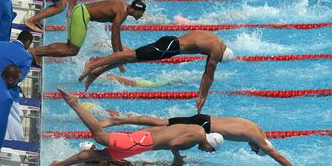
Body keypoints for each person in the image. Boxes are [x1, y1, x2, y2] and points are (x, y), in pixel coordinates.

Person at [40, 88, 223, 166]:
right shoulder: (198, 136)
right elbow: (173, 144)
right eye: (210, 150)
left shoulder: (195, 128)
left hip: (142, 143)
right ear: (211, 144)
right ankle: (74, 103)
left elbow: (165, 130)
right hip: (141, 143)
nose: (207, 152)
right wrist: (177, 158)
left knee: (95, 155)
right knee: (98, 136)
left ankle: (58, 165)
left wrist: (143, 133)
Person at [100, 114, 308, 166]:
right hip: (204, 127)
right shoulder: (257, 139)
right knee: (161, 125)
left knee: (161, 127)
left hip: (207, 120)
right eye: (255, 151)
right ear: (258, 147)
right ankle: (118, 120)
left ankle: (122, 126)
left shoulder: (258, 129)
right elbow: (276, 155)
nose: (252, 150)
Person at [79, 30, 235, 112]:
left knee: (131, 58)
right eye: (218, 60)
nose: (214, 60)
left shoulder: (215, 40)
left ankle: (96, 72)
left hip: (170, 41)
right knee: (131, 55)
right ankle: (93, 65)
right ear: (221, 55)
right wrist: (203, 96)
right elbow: (208, 74)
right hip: (169, 48)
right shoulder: (215, 50)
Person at [29, 0, 146, 64]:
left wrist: (120, 52)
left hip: (80, 11)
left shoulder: (122, 5)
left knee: (70, 47)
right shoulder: (122, 12)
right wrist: (117, 58)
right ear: (136, 10)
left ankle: (38, 52)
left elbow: (117, 34)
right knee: (72, 49)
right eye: (141, 13)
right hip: (81, 15)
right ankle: (37, 52)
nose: (141, 16)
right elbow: (114, 35)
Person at [0, 31, 34, 141]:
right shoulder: (27, 57)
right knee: (14, 119)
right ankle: (19, 147)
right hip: (8, 93)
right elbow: (20, 78)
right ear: (28, 42)